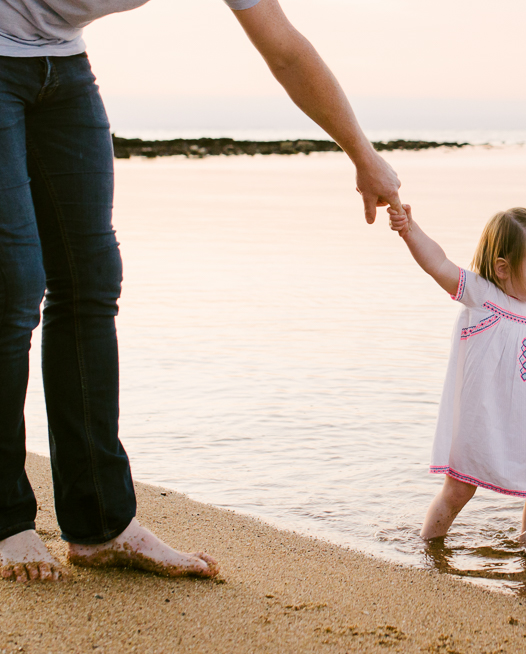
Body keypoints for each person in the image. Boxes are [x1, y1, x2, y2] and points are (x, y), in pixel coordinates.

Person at [0, 0, 402, 583]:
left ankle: (100, 525)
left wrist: (362, 155)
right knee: (13, 287)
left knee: (90, 282)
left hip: (62, 64)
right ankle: (7, 522)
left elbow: (284, 48)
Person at [388, 205, 526, 552]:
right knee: (460, 488)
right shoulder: (483, 296)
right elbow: (438, 263)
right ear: (503, 269)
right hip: (485, 417)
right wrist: (409, 229)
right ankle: (429, 546)